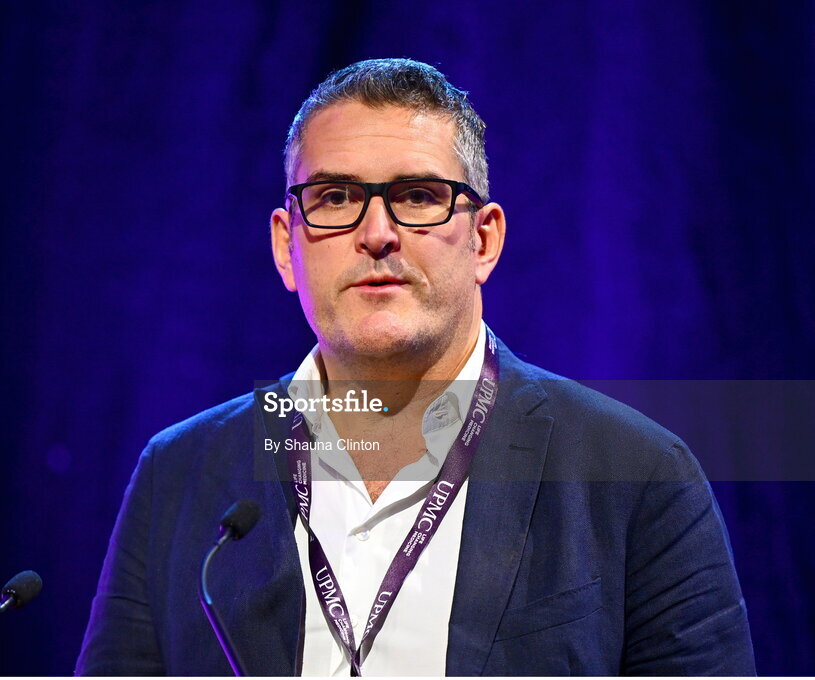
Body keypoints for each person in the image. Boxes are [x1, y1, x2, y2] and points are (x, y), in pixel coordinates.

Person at [75, 58, 754, 676]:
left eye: (418, 196)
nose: (376, 234)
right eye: (335, 197)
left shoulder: (635, 472)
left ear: (483, 239)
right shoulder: (181, 472)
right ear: (287, 247)